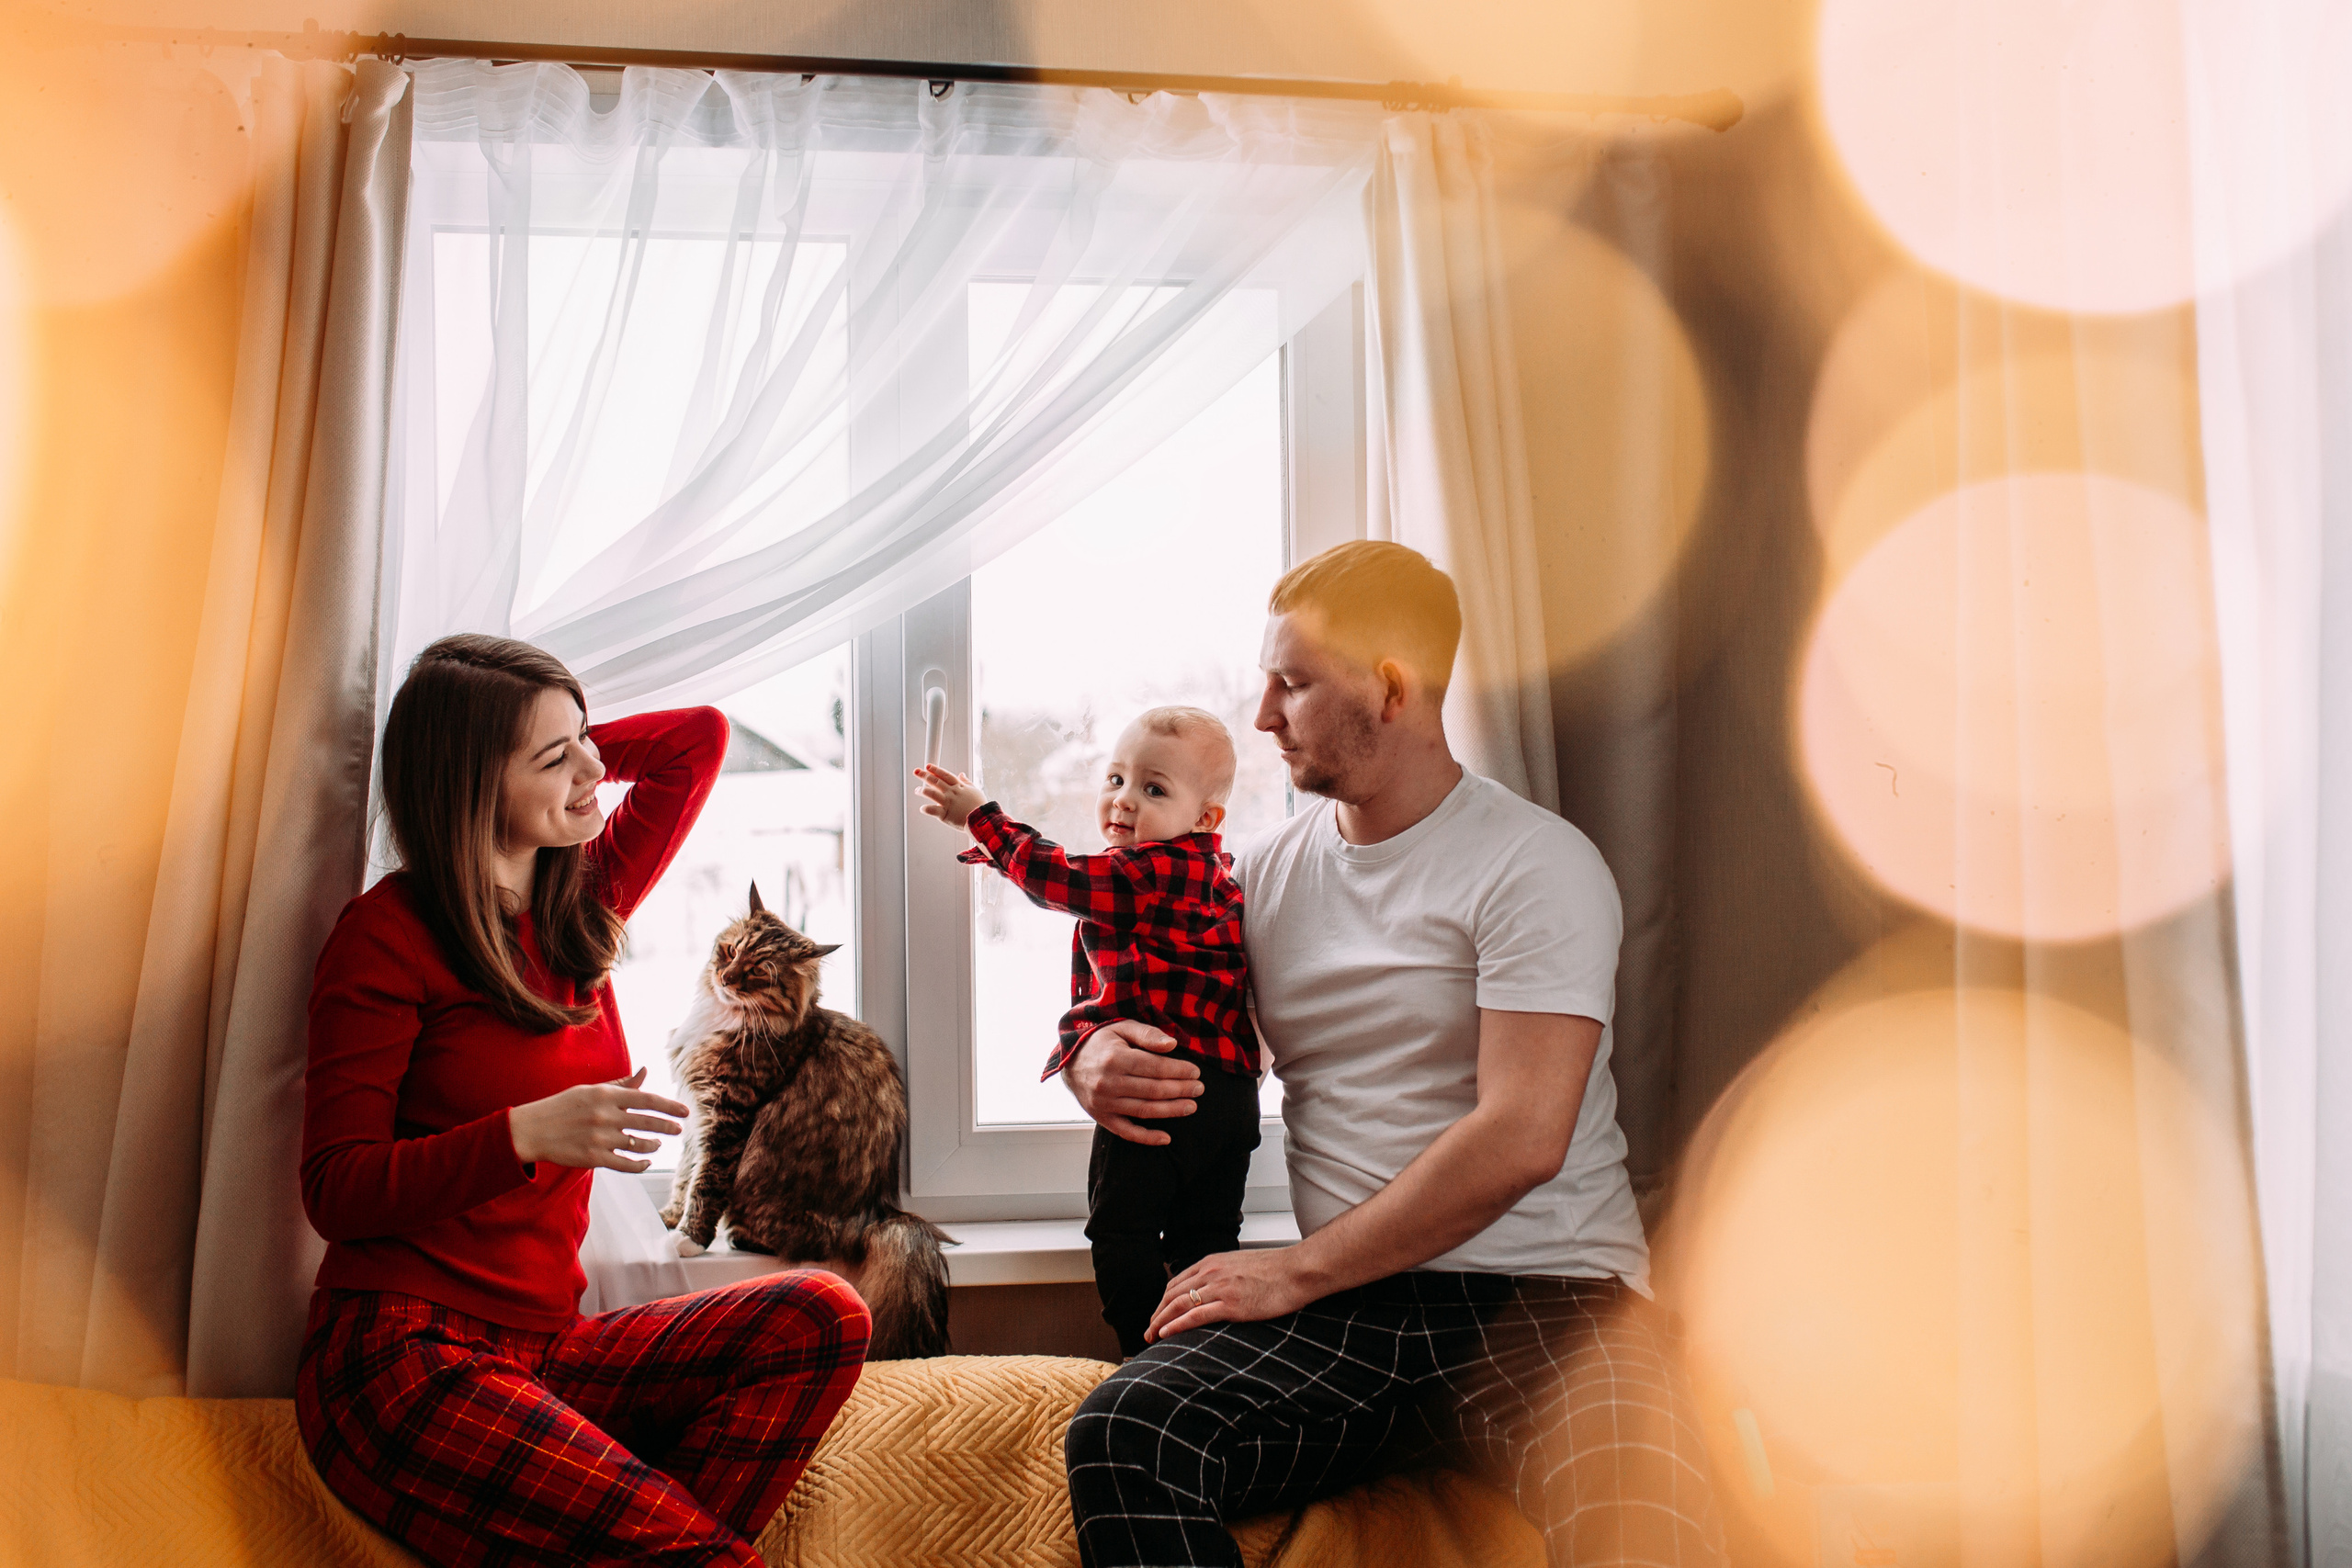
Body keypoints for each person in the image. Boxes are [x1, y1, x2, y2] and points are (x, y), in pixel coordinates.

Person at [1059, 543, 1725, 1568]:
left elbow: (1520, 1137)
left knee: (1653, 1513)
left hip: (1550, 1298)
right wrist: (1090, 1052)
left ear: (1390, 687)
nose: (1264, 716)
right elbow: (1157, 995)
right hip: (1354, 1315)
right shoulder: (1261, 880)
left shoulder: (1536, 865)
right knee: (1124, 1433)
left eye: (1291, 684)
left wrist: (1289, 1272)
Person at [296, 634, 870, 1568]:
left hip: (547, 1351)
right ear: (472, 781)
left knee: (821, 1312)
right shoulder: (386, 937)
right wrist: (522, 1135)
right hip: (400, 1359)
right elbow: (337, 1190)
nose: (593, 774)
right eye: (556, 759)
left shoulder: (579, 906)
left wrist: (558, 727)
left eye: (588, 744)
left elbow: (695, 739)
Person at [913, 706, 1260, 1358]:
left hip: (1159, 1093)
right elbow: (1073, 881)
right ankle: (1207, 1357)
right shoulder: (1213, 876)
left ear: (1206, 817)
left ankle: (1143, 1352)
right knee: (1206, 1241)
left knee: (1120, 1233)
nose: (1123, 800)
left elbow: (1061, 879)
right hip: (1229, 1098)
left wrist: (979, 814)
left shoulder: (1147, 873)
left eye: (1153, 789)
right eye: (1115, 777)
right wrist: (996, 853)